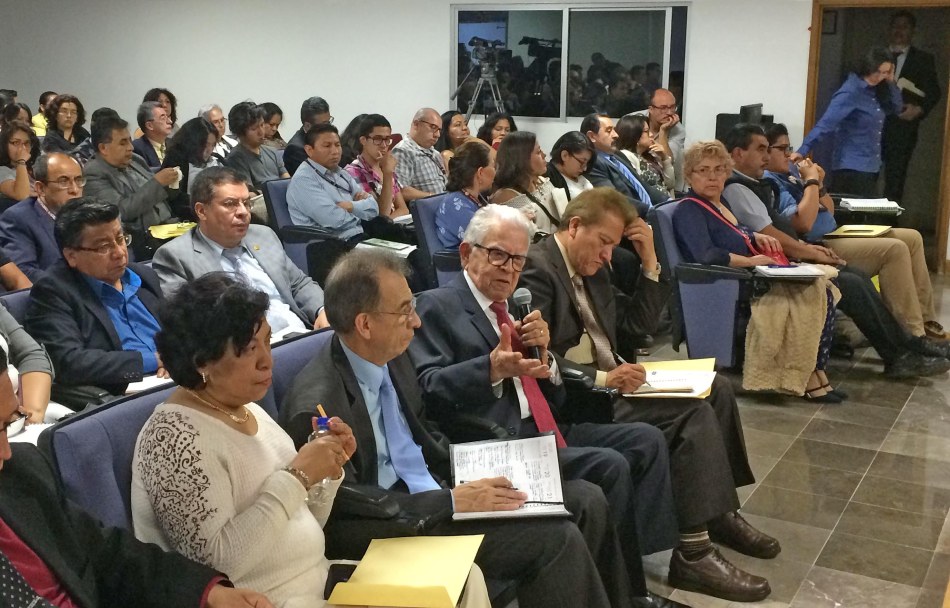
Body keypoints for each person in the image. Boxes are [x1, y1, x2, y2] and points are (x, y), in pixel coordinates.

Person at [281, 248, 650, 608]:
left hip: (437, 484)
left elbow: (423, 430)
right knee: (556, 539)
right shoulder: (317, 406)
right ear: (365, 324)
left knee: (586, 499)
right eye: (405, 311)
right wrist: (451, 500)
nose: (417, 322)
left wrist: (478, 467)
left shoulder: (388, 354)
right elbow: (344, 512)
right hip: (399, 522)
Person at [409, 203, 683, 603]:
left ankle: (630, 583)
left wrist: (547, 359)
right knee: (606, 470)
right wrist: (490, 369)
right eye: (498, 255)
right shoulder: (437, 306)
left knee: (639, 442)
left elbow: (551, 393)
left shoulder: (514, 308)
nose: (509, 269)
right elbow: (427, 389)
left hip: (541, 427)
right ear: (467, 254)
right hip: (495, 444)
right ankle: (623, 594)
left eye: (518, 259)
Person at [521, 187, 779, 602]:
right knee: (690, 415)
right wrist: (602, 378)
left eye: (613, 245)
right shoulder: (538, 268)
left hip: (614, 378)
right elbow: (539, 355)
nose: (608, 255)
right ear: (574, 226)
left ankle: (718, 513)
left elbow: (635, 327)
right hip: (581, 396)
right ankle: (693, 552)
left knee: (716, 389)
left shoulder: (593, 266)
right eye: (603, 242)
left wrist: (650, 263)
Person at [0, 346, 273, 608]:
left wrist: (208, 593)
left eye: (6, 425)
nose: (6, 451)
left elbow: (107, 554)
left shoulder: (21, 472)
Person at [727, 123, 950, 378]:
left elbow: (807, 221)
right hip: (776, 264)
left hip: (798, 251)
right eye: (762, 149)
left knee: (858, 276)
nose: (771, 156)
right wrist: (810, 250)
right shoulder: (743, 187)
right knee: (856, 279)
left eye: (771, 149)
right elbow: (783, 231)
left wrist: (816, 187)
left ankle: (908, 346)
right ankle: (901, 352)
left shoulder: (758, 184)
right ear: (738, 154)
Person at [676, 140, 841, 399]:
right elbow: (706, 254)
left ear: (727, 172)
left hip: (752, 273)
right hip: (729, 282)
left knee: (825, 288)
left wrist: (754, 236)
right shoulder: (689, 209)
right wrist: (752, 262)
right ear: (689, 175)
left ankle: (816, 370)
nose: (712, 177)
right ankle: (804, 377)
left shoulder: (720, 203)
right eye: (703, 170)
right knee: (811, 293)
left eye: (719, 169)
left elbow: (731, 234)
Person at [153, 166, 329, 341]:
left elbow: (298, 284)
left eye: (246, 203)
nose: (243, 212)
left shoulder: (263, 235)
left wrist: (322, 310)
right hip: (243, 348)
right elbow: (189, 325)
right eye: (230, 204)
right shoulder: (176, 257)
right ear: (202, 211)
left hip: (302, 334)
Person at [24, 198, 166, 396]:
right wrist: (155, 360)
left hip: (176, 377)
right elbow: (69, 361)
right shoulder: (53, 291)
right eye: (103, 247)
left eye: (120, 239)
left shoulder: (143, 276)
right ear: (71, 256)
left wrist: (181, 357)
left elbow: (179, 329)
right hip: (126, 392)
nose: (119, 253)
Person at [794, 48, 902, 197]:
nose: (879, 77)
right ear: (868, 67)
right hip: (851, 166)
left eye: (885, 72)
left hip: (872, 164)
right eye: (878, 72)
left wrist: (891, 81)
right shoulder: (851, 91)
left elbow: (897, 108)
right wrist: (802, 150)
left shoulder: (879, 89)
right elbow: (826, 124)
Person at [83, 114, 179, 258]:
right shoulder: (94, 172)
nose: (131, 147)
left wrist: (173, 182)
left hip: (170, 228)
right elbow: (120, 211)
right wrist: (157, 183)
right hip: (142, 241)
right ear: (103, 148)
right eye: (123, 143)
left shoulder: (135, 160)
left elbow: (163, 196)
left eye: (129, 140)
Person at [882, 10, 942, 203]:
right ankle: (863, 219)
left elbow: (934, 92)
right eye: (895, 26)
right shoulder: (877, 55)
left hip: (903, 129)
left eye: (904, 27)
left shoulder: (923, 59)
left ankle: (889, 220)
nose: (899, 30)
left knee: (895, 179)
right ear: (889, 29)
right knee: (866, 177)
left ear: (912, 31)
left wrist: (919, 109)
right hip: (871, 126)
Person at [287, 123, 379, 244]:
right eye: (327, 146)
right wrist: (362, 211)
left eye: (337, 145)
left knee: (401, 241)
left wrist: (350, 206)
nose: (335, 151)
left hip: (361, 234)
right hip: (335, 244)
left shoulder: (340, 172)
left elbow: (374, 208)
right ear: (309, 150)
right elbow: (335, 220)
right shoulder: (304, 180)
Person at [0, 153, 83, 280]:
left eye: (78, 180)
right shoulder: (18, 218)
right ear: (41, 188)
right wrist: (74, 287)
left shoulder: (89, 215)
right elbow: (24, 272)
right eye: (63, 181)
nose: (75, 190)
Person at [582, 113, 667, 216]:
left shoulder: (618, 155)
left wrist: (668, 201)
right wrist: (651, 211)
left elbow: (643, 186)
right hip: (632, 217)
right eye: (609, 131)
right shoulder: (593, 163)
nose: (616, 135)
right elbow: (613, 199)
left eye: (614, 130)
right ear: (592, 136)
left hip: (651, 212)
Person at [490, 131, 563, 234]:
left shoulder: (542, 181)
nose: (544, 155)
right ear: (522, 159)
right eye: (538, 152)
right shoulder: (507, 197)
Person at [344, 114, 409, 219]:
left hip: (394, 225)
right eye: (377, 139)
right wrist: (387, 174)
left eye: (387, 139)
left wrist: (389, 223)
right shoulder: (353, 172)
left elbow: (403, 209)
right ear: (363, 140)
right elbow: (381, 215)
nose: (384, 145)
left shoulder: (386, 166)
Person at [435, 140, 494, 249]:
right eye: (493, 165)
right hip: (463, 259)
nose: (495, 172)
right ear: (480, 172)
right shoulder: (454, 204)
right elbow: (487, 241)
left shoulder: (475, 197)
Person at [222, 102, 289, 193]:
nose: (261, 132)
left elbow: (287, 180)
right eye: (254, 129)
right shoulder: (236, 159)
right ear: (240, 132)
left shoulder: (272, 152)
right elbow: (248, 193)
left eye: (262, 125)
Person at [161, 116, 220, 219]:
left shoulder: (216, 159)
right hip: (191, 214)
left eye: (212, 145)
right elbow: (175, 198)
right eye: (205, 145)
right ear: (193, 143)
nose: (209, 150)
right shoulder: (175, 159)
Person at [391, 108, 447, 201]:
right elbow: (401, 191)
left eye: (439, 130)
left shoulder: (435, 153)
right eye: (433, 127)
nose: (437, 135)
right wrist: (434, 197)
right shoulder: (403, 151)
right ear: (416, 124)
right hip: (427, 206)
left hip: (444, 203)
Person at [616, 114, 675, 198]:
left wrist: (664, 158)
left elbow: (670, 184)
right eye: (646, 131)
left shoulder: (651, 154)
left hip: (666, 201)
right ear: (634, 135)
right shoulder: (626, 156)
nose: (651, 134)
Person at [639, 89, 686, 192]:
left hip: (666, 181)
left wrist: (663, 131)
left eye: (672, 107)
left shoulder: (678, 130)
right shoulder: (635, 121)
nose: (669, 112)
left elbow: (669, 160)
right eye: (663, 108)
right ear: (651, 109)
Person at [284, 96, 333, 176]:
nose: (328, 127)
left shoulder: (328, 140)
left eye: (329, 122)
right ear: (307, 126)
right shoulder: (295, 149)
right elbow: (313, 176)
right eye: (324, 124)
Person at [0, 120, 40, 210]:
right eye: (16, 143)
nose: (22, 148)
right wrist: (21, 161)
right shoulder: (2, 170)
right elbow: (22, 195)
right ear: (4, 145)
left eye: (26, 143)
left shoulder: (35, 166)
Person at [546, 131, 595, 201]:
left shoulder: (579, 176)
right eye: (582, 162)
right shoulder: (548, 178)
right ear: (565, 155)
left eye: (587, 163)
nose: (585, 168)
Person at [132, 101, 173, 168]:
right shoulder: (137, 148)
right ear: (149, 126)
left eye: (168, 117)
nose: (170, 121)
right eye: (163, 118)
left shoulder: (174, 144)